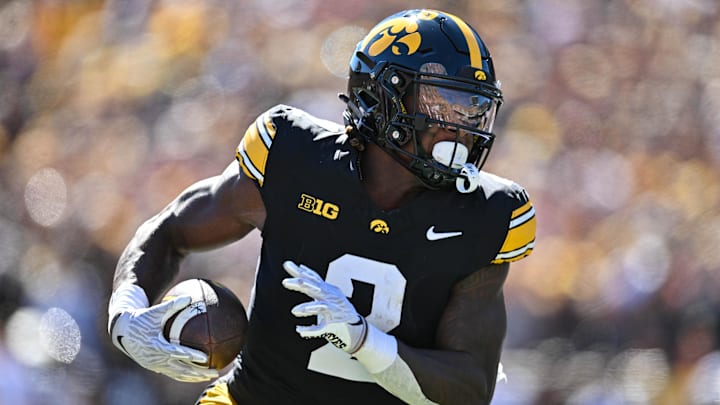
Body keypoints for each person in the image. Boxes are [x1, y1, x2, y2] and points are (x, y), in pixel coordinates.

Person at [107, 8, 536, 405]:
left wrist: (363, 341)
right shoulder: (294, 157)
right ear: (385, 97)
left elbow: (469, 387)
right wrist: (126, 313)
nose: (462, 128)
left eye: (475, 110)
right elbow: (171, 230)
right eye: (444, 105)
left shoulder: (489, 216)